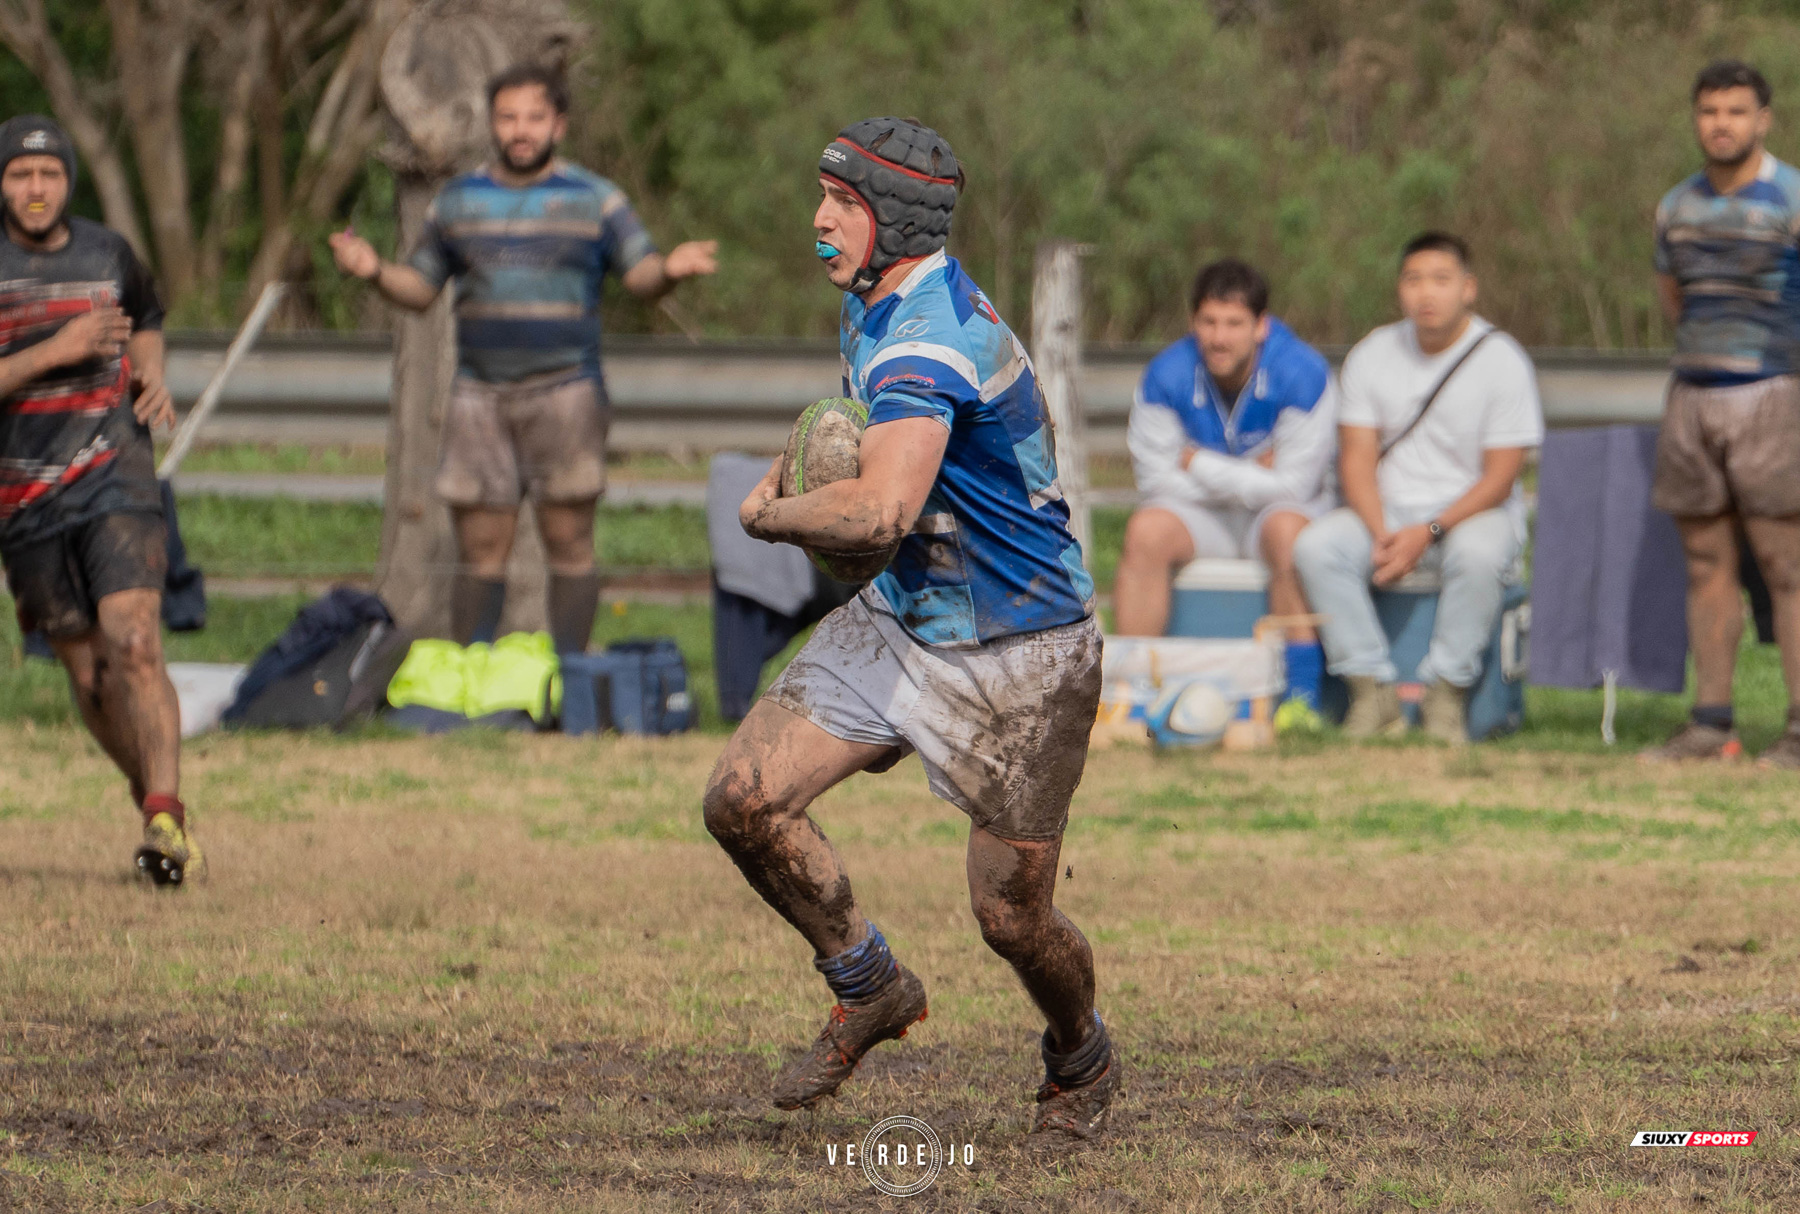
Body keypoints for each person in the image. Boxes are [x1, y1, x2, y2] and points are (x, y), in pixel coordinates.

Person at [703, 118, 1119, 1141]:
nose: (819, 220)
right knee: (743, 800)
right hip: (908, 618)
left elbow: (881, 511)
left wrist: (768, 515)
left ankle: (1082, 1051)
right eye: (822, 196)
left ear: (897, 219)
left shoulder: (928, 337)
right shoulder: (877, 305)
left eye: (841, 203)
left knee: (1011, 918)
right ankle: (870, 982)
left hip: (1024, 658)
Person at [327, 64, 716, 652]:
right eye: (508, 117)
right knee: (481, 551)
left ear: (558, 124)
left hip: (567, 393)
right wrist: (374, 271)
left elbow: (640, 275)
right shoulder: (457, 201)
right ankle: (473, 680)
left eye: (534, 117)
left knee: (570, 543)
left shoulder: (596, 198)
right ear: (492, 123)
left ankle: (571, 682)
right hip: (479, 396)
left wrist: (671, 272)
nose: (520, 129)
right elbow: (420, 287)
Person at [0, 115, 197, 883]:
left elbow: (145, 318)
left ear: (68, 181)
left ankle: (165, 815)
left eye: (49, 176)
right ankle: (147, 789)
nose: (36, 189)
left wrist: (149, 370)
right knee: (90, 675)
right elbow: (69, 347)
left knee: (136, 640)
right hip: (22, 497)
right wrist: (60, 349)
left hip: (115, 469)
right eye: (20, 175)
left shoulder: (108, 251)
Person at [1293, 232, 1542, 743]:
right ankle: (1372, 690)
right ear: (1399, 289)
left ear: (1468, 289)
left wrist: (1426, 531)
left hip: (1470, 513)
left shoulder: (1503, 360)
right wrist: (1383, 530)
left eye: (1441, 280)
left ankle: (1446, 694)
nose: (1426, 293)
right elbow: (1357, 460)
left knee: (1478, 554)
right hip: (1385, 513)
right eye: (1413, 280)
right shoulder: (1373, 352)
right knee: (1317, 547)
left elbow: (1500, 478)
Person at [1642, 60, 1800, 767]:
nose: (1722, 124)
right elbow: (1674, 297)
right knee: (1706, 562)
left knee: (1785, 563)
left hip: (1773, 396)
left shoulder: (1792, 198)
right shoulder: (1676, 206)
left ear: (1762, 119)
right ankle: (1711, 724)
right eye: (1709, 111)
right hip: (1693, 398)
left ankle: (1797, 731)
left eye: (1736, 111)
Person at [1116, 257, 1335, 705]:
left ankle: (1299, 701)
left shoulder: (1304, 373)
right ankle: (1134, 693)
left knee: (1289, 533)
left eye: (1234, 323)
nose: (1219, 337)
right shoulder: (1165, 374)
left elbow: (1295, 489)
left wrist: (1196, 463)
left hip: (1273, 518)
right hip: (1205, 518)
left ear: (1261, 326)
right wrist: (1257, 472)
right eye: (1209, 322)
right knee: (1146, 531)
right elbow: (1154, 480)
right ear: (1193, 322)